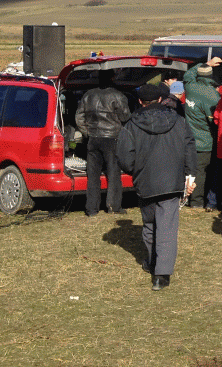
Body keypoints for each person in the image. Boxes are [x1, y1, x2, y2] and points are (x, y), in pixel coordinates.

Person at [116, 84, 197, 291]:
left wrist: (137, 170)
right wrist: (189, 175)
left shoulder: (131, 125)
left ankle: (155, 266)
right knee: (165, 227)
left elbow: (124, 158)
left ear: (141, 102)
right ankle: (161, 273)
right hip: (171, 181)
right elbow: (189, 148)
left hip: (146, 181)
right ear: (161, 99)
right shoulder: (179, 121)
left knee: (150, 224)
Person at [75, 69, 130, 216]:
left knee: (92, 175)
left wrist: (87, 133)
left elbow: (79, 117)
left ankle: (91, 209)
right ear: (113, 77)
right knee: (113, 174)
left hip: (93, 139)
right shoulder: (118, 95)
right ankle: (113, 206)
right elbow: (125, 117)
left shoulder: (88, 95)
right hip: (112, 138)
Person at [183, 58, 221, 210]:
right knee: (201, 172)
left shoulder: (191, 87)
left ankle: (190, 197)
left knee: (190, 170)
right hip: (204, 140)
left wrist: (206, 63)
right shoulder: (212, 96)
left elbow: (188, 75)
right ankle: (197, 202)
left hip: (189, 137)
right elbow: (215, 121)